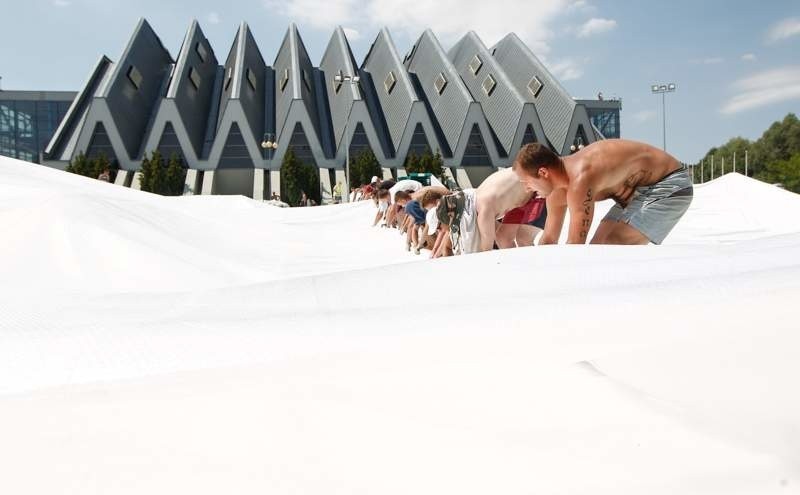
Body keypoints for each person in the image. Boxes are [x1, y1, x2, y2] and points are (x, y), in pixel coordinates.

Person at [511, 140, 693, 245]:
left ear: (543, 173)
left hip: (670, 183)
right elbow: (549, 239)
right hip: (634, 193)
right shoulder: (556, 193)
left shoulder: (580, 178)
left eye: (527, 182)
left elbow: (576, 246)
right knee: (599, 247)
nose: (527, 188)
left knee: (612, 245)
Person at [435, 168, 533, 255]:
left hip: (532, 188)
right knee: (503, 237)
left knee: (520, 237)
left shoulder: (483, 211)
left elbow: (486, 251)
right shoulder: (474, 195)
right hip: (521, 194)